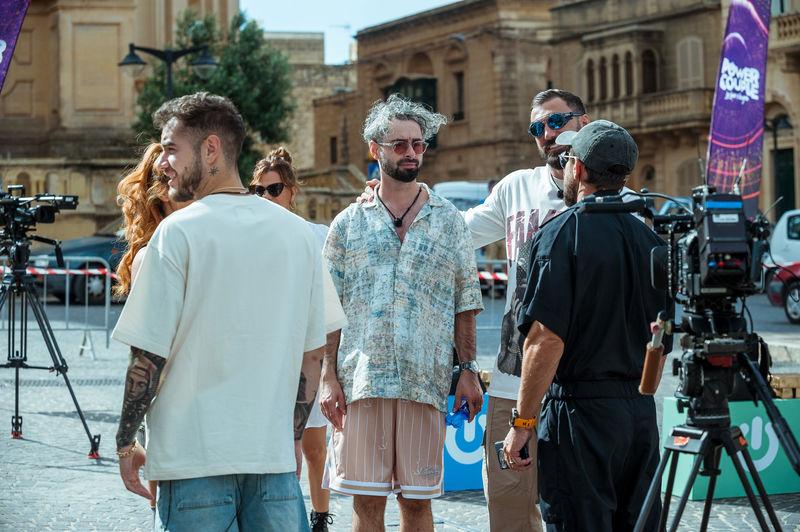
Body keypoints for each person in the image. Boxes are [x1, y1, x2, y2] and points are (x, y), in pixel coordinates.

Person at [112, 92, 326, 531]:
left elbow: (147, 357)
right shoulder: (299, 235)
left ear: (211, 149)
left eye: (171, 149)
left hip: (193, 462)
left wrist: (124, 442)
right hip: (272, 463)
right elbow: (313, 355)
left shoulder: (176, 233)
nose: (163, 163)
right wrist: (290, 438)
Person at [319, 94, 485, 532]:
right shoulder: (347, 223)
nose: (411, 152)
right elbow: (329, 308)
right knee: (366, 503)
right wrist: (327, 376)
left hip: (424, 381)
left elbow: (465, 302)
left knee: (417, 503)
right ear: (375, 149)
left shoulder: (449, 221)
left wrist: (469, 370)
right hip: (362, 383)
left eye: (418, 144)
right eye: (400, 144)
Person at [502, 120, 672, 531]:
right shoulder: (651, 241)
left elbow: (545, 340)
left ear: (577, 169)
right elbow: (662, 337)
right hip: (639, 413)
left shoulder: (560, 234)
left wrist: (522, 423)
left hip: (579, 414)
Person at [250, 146, 347, 532]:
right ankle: (279, 517)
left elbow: (330, 301)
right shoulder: (250, 238)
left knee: (313, 446)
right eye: (258, 191)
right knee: (274, 447)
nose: (266, 197)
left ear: (291, 191)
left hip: (309, 352)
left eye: (274, 189)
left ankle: (320, 518)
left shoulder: (316, 235)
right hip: (267, 353)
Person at [114, 142, 190, 513]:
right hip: (174, 413)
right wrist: (127, 441)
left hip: (183, 415)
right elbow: (147, 359)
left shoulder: (164, 248)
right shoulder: (153, 254)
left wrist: (125, 443)